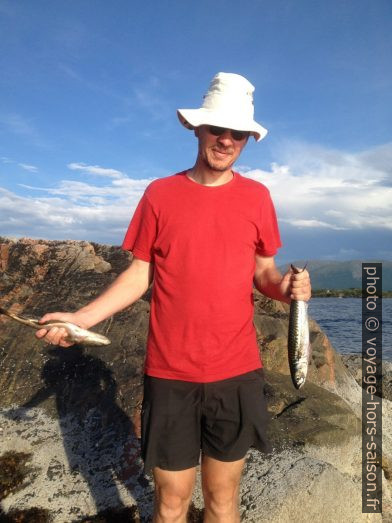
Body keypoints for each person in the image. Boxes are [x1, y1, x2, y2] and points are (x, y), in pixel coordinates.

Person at [36, 72, 311, 523]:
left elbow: (264, 274)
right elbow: (139, 274)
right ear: (197, 129)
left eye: (237, 133)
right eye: (217, 130)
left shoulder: (258, 197)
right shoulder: (159, 194)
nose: (226, 140)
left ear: (246, 139)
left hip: (236, 373)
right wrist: (80, 318)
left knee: (223, 501)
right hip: (171, 373)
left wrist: (288, 290)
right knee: (170, 502)